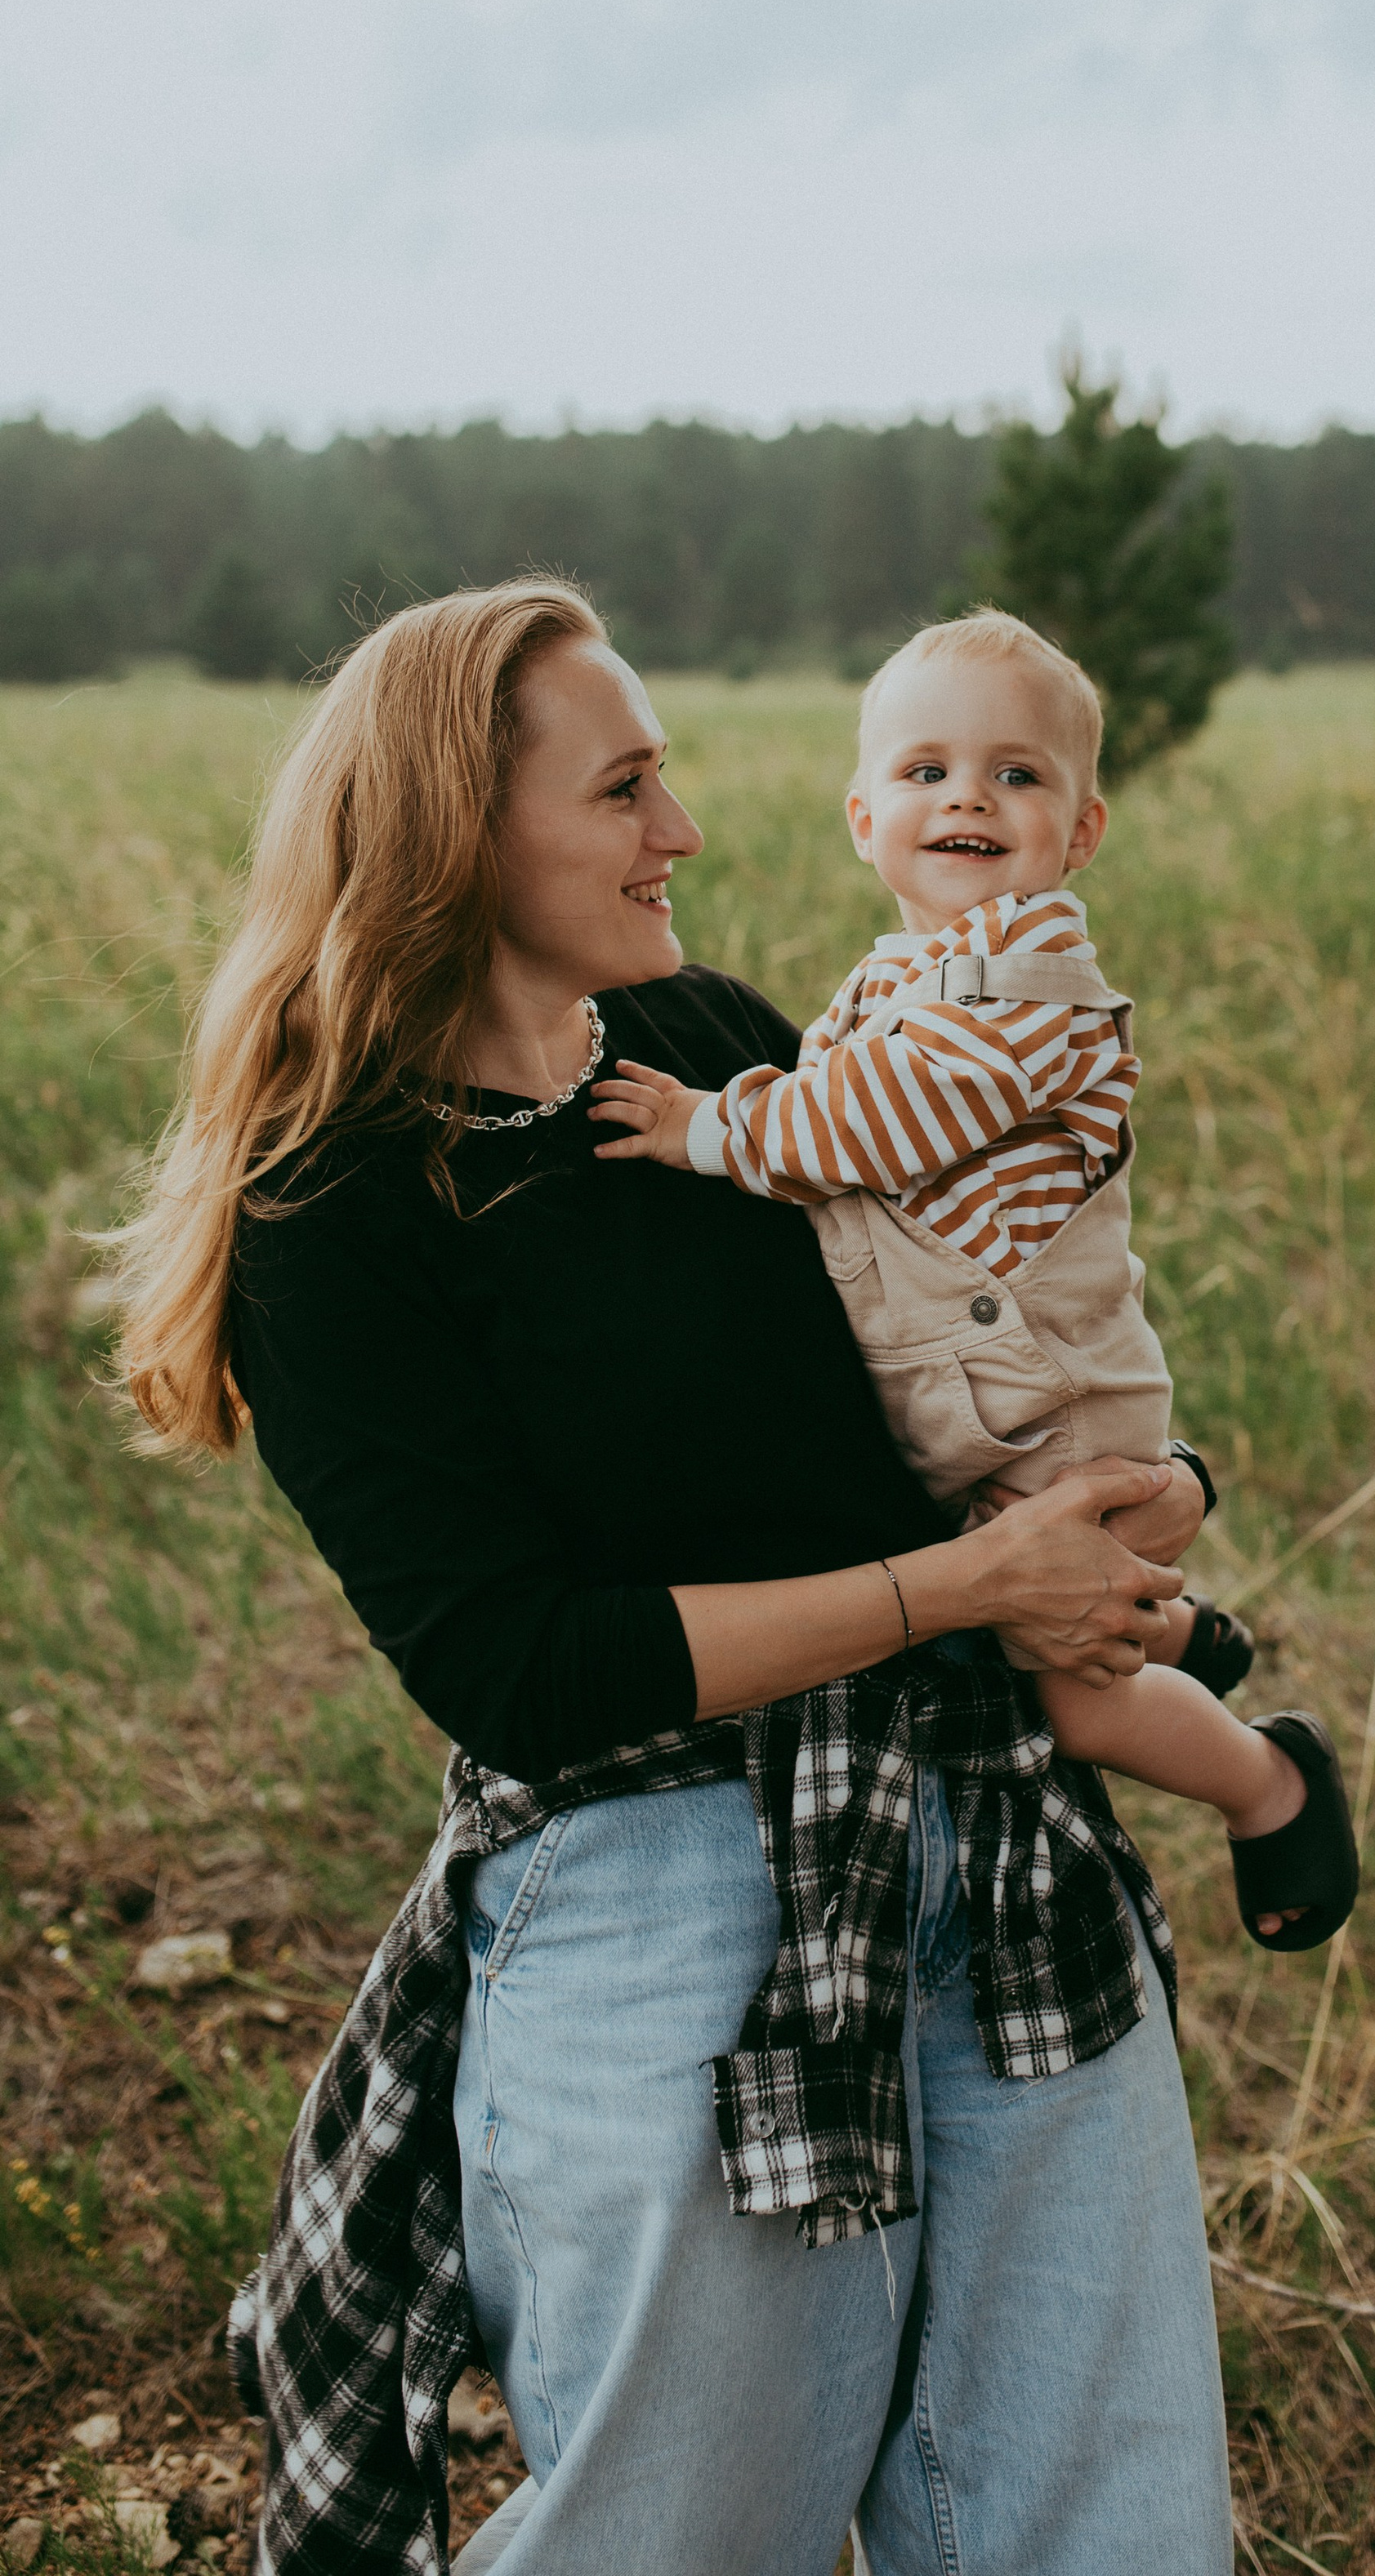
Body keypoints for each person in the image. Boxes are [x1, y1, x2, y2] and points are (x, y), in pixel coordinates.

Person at [114, 580, 1237, 2576]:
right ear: (465, 833)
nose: (683, 836)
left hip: (987, 1832)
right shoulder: (333, 1205)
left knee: (1096, 2524)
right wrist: (968, 1589)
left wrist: (1115, 1506)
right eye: (626, 789)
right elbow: (527, 1668)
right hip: (658, 1885)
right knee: (682, 2533)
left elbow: (939, 1336)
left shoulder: (708, 1047)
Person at [592, 609, 1358, 1953]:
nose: (968, 797)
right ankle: (1173, 1629)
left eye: (1017, 775)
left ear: (1081, 832)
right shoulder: (901, 975)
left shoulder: (1031, 994)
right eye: (925, 770)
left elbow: (865, 1130)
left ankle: (1268, 1779)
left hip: (1050, 1408)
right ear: (861, 816)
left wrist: (700, 1127)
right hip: (966, 1412)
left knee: (1075, 1704)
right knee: (1028, 1617)